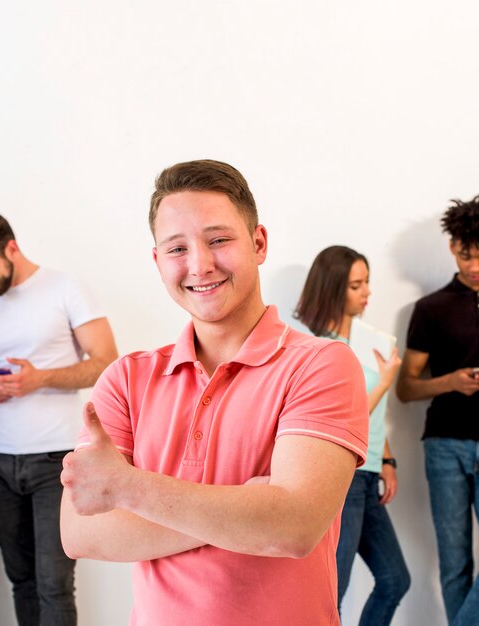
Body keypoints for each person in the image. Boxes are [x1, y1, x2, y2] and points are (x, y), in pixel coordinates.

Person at [60, 160, 369, 626]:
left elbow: (292, 526)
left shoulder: (322, 364)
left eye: (219, 239)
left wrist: (127, 488)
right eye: (177, 248)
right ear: (158, 260)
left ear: (258, 243)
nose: (200, 264)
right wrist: (245, 510)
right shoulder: (126, 378)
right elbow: (81, 532)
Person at [0, 212, 118, 626]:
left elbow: (105, 362)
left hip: (55, 460)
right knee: (21, 579)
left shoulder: (65, 288)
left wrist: (39, 378)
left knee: (54, 584)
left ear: (11, 248)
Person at [396, 193, 479, 626]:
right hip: (444, 446)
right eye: (467, 255)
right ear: (453, 247)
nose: (475, 265)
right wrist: (450, 381)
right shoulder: (429, 309)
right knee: (455, 568)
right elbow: (406, 388)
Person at [295, 245, 410, 625]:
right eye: (356, 285)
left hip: (369, 473)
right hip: (343, 478)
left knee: (395, 579)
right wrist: (388, 380)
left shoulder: (366, 342)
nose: (367, 293)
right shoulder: (320, 349)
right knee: (333, 593)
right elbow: (348, 416)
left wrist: (387, 459)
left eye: (367, 283)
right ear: (333, 289)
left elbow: (374, 418)